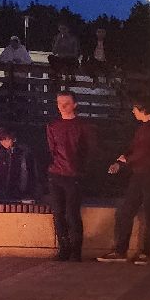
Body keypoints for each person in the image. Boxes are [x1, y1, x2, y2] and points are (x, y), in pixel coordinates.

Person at [99, 97, 150, 264]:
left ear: (143, 110)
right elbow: (134, 149)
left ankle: (145, 253)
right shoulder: (144, 129)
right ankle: (121, 251)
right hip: (139, 174)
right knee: (127, 211)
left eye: (135, 109)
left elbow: (143, 152)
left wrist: (124, 161)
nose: (133, 111)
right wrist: (122, 160)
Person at [46, 91, 97, 261]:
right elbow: (52, 150)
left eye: (66, 103)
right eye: (59, 103)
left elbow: (90, 151)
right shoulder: (53, 126)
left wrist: (82, 170)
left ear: (75, 104)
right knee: (58, 213)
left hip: (74, 174)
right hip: (56, 174)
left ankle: (76, 250)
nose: (62, 106)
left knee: (72, 213)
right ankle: (64, 249)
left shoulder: (83, 126)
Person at [0, 126, 35, 199]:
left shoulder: (21, 152)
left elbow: (24, 170)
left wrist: (23, 187)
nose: (4, 143)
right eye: (1, 140)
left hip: (16, 187)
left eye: (6, 140)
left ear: (13, 139)